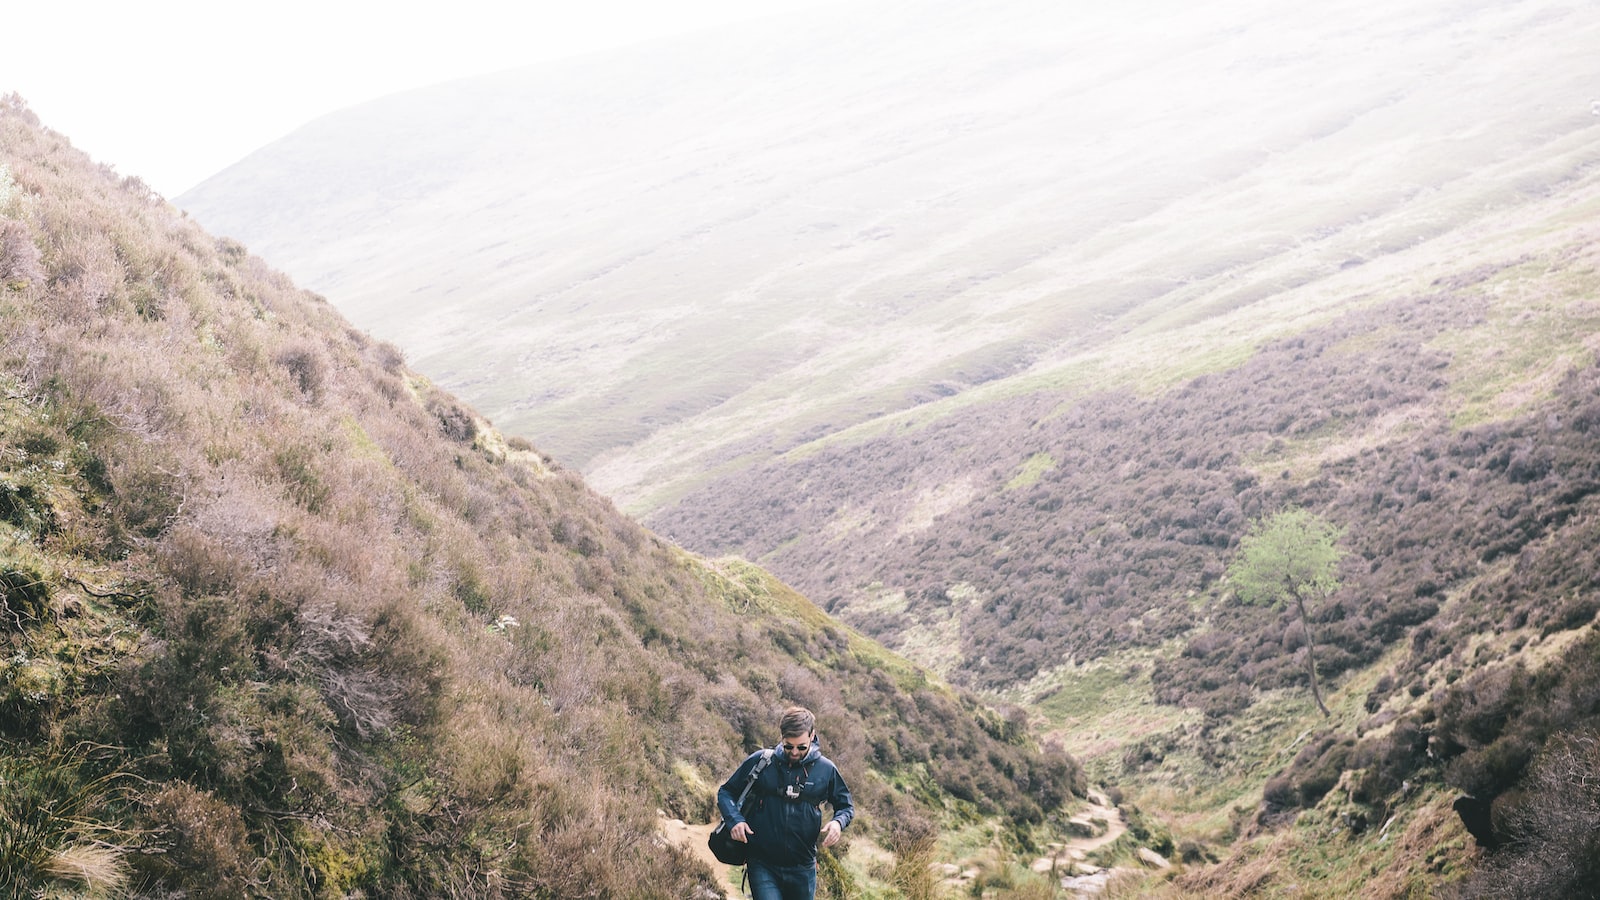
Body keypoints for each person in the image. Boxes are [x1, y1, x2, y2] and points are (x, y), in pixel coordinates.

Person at [717, 706, 855, 900]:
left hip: (803, 868)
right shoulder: (762, 761)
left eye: (801, 747)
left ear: (812, 736)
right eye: (788, 746)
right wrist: (735, 820)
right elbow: (726, 792)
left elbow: (846, 806)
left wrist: (838, 823)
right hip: (762, 863)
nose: (795, 752)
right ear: (782, 738)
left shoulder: (826, 769)